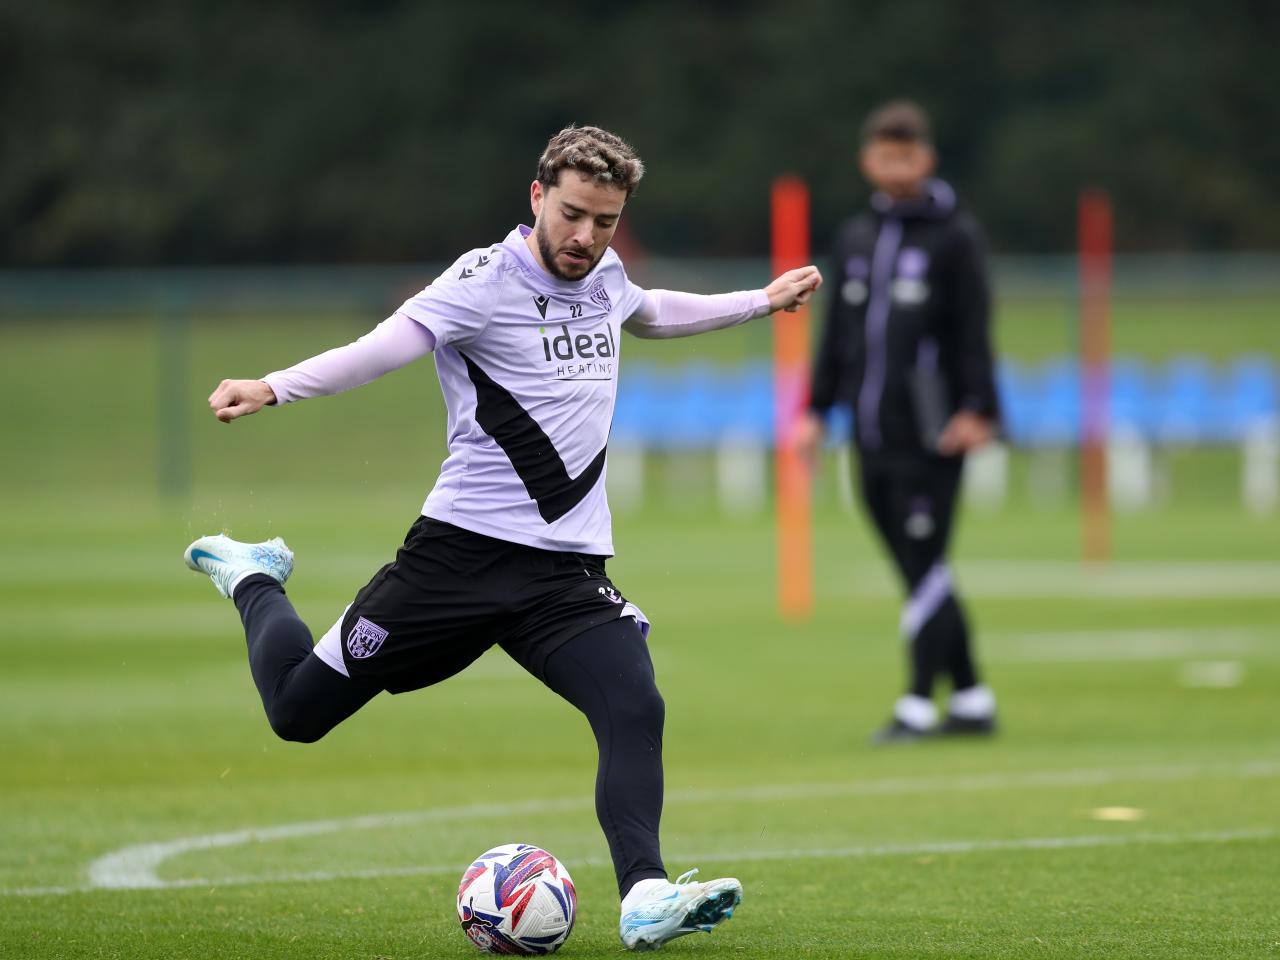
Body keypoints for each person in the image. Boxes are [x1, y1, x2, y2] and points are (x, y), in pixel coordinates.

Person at [183, 125, 821, 951]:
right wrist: (273, 386)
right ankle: (254, 575)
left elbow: (651, 313)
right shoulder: (481, 281)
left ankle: (645, 895)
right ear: (536, 196)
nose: (586, 237)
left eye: (606, 220)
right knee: (297, 713)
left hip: (564, 576)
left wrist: (760, 301)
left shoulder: (608, 274)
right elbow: (380, 352)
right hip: (456, 560)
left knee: (634, 702)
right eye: (573, 214)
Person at [795, 100, 1001, 744]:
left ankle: (918, 702)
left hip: (932, 433)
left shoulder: (955, 237)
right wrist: (814, 410)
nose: (896, 166)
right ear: (868, 162)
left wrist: (980, 409)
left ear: (927, 159)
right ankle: (971, 696)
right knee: (916, 567)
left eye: (908, 154)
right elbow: (836, 338)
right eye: (885, 154)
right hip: (869, 432)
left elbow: (975, 331)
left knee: (924, 561)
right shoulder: (858, 239)